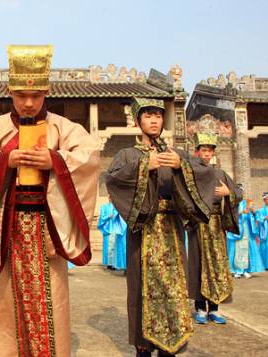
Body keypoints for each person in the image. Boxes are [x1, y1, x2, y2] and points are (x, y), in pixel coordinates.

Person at [0, 44, 99, 357]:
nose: (28, 103)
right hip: (9, 229)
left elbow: (90, 157)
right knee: (6, 300)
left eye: (36, 96)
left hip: (47, 227)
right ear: (9, 92)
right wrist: (4, 160)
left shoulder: (64, 128)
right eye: (21, 95)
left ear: (46, 93)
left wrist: (56, 162)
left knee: (52, 297)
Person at [106, 98, 215, 356]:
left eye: (157, 115)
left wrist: (181, 166)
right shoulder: (127, 155)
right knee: (141, 287)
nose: (154, 120)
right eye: (147, 116)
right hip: (143, 230)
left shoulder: (176, 154)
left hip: (172, 231)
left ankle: (171, 344)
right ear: (137, 122)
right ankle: (143, 346)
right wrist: (145, 165)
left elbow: (206, 173)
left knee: (173, 287)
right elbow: (113, 180)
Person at [187, 133, 242, 325]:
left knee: (217, 265)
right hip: (198, 225)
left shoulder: (220, 174)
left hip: (217, 227)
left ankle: (215, 308)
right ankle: (200, 308)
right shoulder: (190, 173)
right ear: (197, 152)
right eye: (203, 150)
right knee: (199, 264)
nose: (207, 154)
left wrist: (229, 194)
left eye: (210, 150)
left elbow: (238, 193)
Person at [228, 198, 265, 278]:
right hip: (238, 231)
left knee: (246, 250)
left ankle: (244, 270)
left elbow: (256, 218)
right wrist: (241, 212)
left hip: (246, 231)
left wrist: (253, 212)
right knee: (237, 250)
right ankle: (237, 270)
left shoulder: (248, 202)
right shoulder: (233, 204)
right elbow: (231, 214)